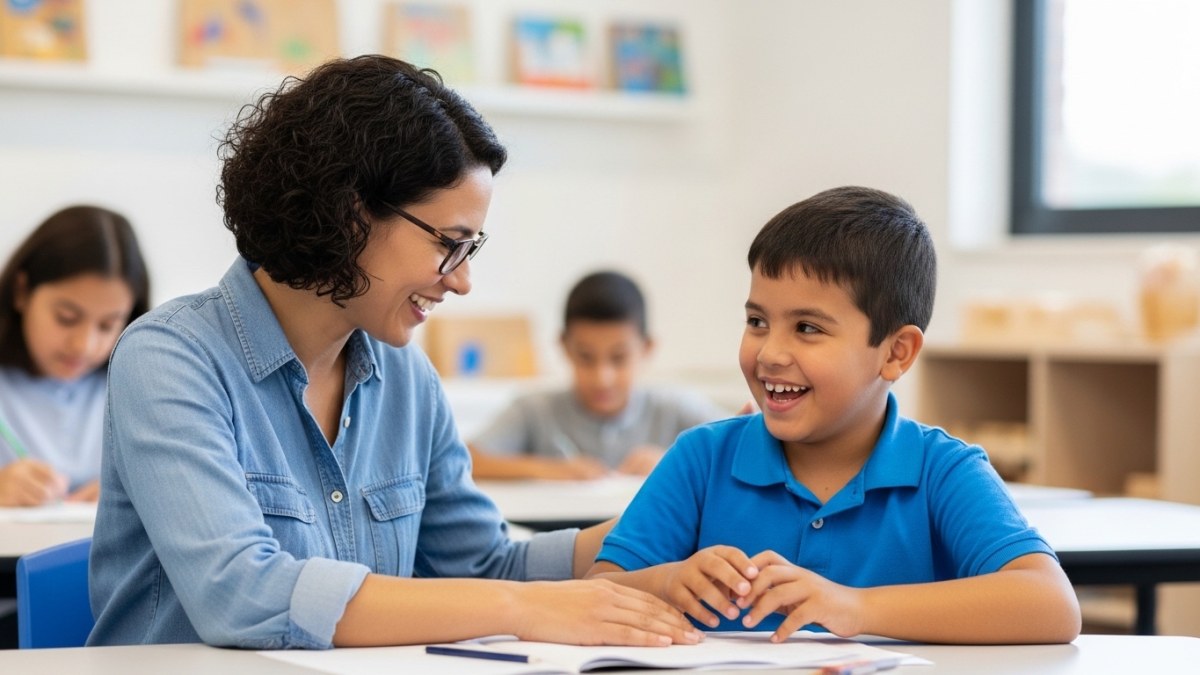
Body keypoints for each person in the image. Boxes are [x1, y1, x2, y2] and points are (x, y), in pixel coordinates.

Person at [87, 55, 700, 650]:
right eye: (450, 244)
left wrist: (674, 524)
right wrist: (527, 609)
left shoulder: (406, 377)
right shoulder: (170, 358)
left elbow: (482, 565)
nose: (460, 280)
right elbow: (240, 593)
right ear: (351, 215)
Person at [586, 186, 1082, 644]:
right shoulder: (702, 459)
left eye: (807, 328)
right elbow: (594, 592)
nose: (770, 353)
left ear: (896, 353)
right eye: (757, 321)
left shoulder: (940, 470)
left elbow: (1052, 606)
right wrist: (666, 580)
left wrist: (856, 607)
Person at [468, 270, 729, 480]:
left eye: (619, 358)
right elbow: (466, 461)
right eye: (586, 357)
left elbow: (743, 450)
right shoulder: (533, 409)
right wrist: (551, 470)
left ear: (646, 348)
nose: (602, 377)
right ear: (564, 346)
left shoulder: (675, 408)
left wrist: (675, 464)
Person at [0, 205, 150, 506]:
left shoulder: (139, 386)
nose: (83, 345)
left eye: (108, 325)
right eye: (66, 317)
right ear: (21, 292)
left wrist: (137, 493)